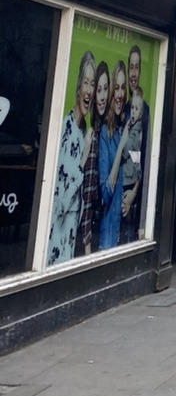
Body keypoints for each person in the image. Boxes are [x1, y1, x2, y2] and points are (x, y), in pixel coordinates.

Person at [47, 49, 95, 265]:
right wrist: (84, 156)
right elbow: (62, 201)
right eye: (86, 83)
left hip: (70, 230)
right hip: (58, 232)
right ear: (78, 88)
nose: (89, 90)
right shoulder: (66, 129)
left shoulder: (83, 131)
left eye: (92, 84)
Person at [78, 60, 110, 255]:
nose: (102, 96)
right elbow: (87, 194)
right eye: (99, 90)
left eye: (105, 90)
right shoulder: (91, 132)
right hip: (85, 234)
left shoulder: (107, 128)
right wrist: (88, 249)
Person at [98, 60, 128, 250]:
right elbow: (106, 193)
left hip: (125, 233)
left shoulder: (124, 128)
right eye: (116, 88)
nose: (119, 94)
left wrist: (133, 193)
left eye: (123, 88)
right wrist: (121, 147)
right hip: (108, 238)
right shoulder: (105, 133)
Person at [121, 86, 145, 243]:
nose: (134, 112)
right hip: (132, 176)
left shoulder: (135, 131)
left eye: (137, 109)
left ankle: (128, 240)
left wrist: (125, 133)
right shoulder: (136, 128)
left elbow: (126, 151)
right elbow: (136, 157)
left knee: (126, 214)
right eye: (132, 108)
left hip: (128, 179)